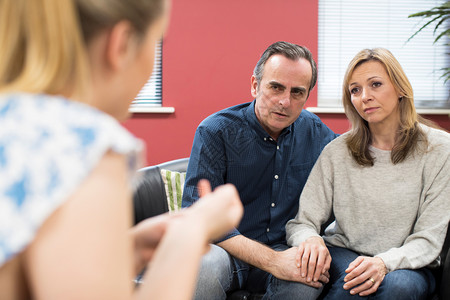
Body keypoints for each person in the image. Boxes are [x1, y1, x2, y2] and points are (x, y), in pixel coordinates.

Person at [0, 0, 243, 299]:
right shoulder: (86, 147)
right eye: (157, 42)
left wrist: (127, 251)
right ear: (122, 43)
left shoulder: (15, 125)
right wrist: (191, 233)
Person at [286, 48, 450, 299]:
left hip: (410, 261)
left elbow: (428, 239)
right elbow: (302, 223)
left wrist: (383, 263)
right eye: (355, 90)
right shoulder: (337, 151)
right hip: (344, 253)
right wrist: (311, 240)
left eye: (375, 84)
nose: (365, 97)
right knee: (355, 277)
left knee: (398, 287)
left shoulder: (440, 149)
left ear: (400, 89)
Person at [182, 41, 339, 299]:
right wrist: (274, 261)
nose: (285, 101)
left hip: (287, 248)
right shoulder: (215, 131)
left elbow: (359, 155)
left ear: (306, 98)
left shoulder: (316, 132)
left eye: (297, 92)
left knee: (307, 281)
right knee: (203, 267)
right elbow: (197, 215)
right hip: (226, 250)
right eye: (276, 87)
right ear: (255, 86)